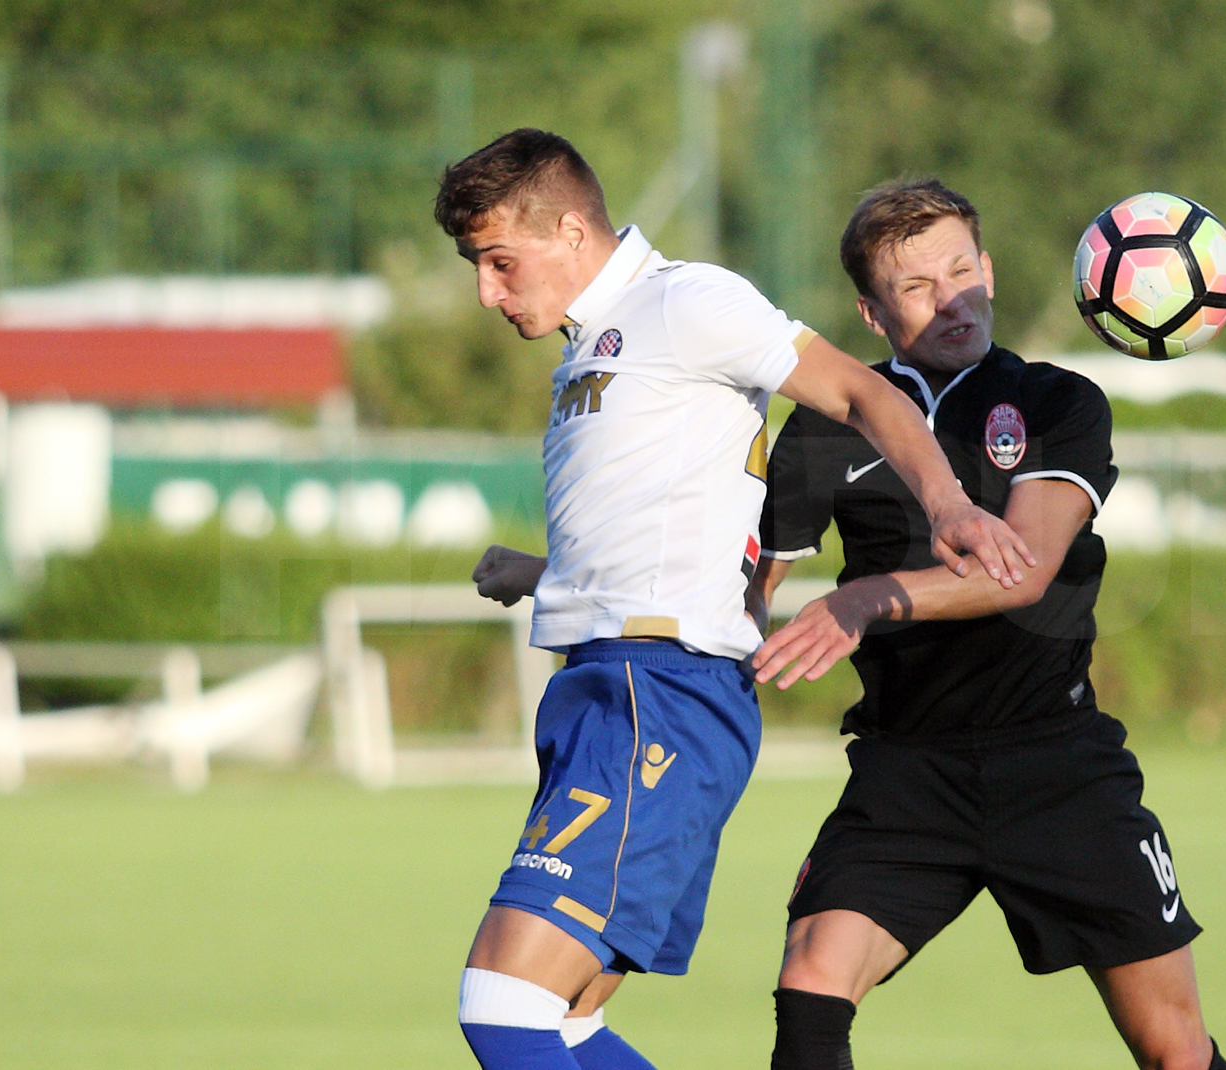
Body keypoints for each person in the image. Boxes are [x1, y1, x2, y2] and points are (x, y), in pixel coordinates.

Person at [438, 130, 1034, 1070]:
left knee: (503, 1003)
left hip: (655, 695)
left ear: (568, 230)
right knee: (564, 1024)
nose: (487, 291)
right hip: (614, 689)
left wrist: (951, 503)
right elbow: (667, 529)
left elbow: (860, 396)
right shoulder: (595, 344)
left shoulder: (683, 300)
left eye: (499, 263)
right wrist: (544, 577)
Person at [750, 178, 1226, 1070]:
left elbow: (1023, 568)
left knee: (1174, 1047)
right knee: (811, 979)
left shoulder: (1059, 402)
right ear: (870, 312)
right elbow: (745, 585)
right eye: (915, 287)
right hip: (905, 771)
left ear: (991, 271)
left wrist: (862, 598)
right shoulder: (824, 429)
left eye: (961, 271)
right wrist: (575, 579)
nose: (951, 302)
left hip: (1058, 764)